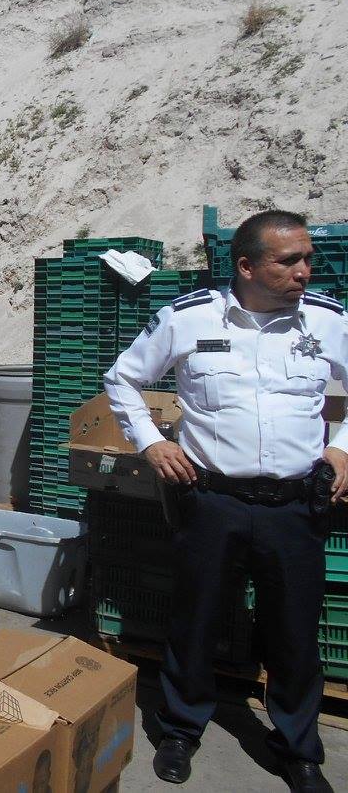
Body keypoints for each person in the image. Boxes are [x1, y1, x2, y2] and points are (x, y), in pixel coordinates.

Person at [104, 210, 344, 792]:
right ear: (246, 266)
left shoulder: (329, 321)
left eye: (308, 259)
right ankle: (180, 730)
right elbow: (122, 379)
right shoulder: (188, 318)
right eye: (289, 261)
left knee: (294, 632)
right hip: (212, 501)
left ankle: (298, 749)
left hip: (294, 506)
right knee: (197, 618)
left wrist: (343, 448)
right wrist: (152, 442)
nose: (305, 271)